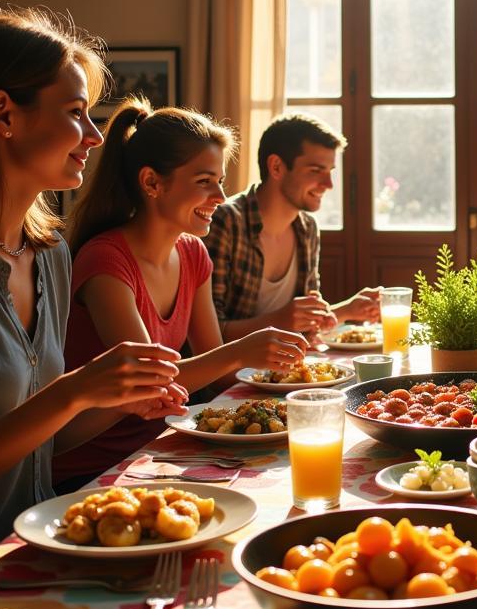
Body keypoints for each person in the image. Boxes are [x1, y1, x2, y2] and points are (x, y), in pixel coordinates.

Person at [0, 9, 186, 609]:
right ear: (3, 115)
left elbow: (42, 442)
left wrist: (115, 400)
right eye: (76, 113)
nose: (94, 136)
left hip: (38, 555)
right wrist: (76, 391)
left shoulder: (50, 256)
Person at [52, 98, 308, 492]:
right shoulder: (105, 261)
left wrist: (293, 397)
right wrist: (242, 351)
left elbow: (219, 378)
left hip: (158, 453)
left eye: (221, 181)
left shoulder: (192, 253)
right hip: (94, 472)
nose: (221, 196)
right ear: (152, 182)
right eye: (205, 182)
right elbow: (145, 383)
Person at [204, 113, 380, 342]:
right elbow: (209, 335)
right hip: (234, 376)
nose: (328, 184)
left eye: (330, 172)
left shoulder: (307, 229)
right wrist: (280, 322)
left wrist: (347, 310)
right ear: (276, 167)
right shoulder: (224, 222)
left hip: (286, 369)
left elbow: (302, 324)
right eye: (316, 170)